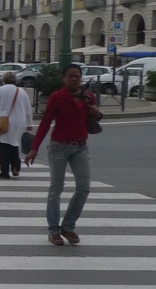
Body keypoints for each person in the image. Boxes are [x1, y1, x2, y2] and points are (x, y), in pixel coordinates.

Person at [26, 64, 101, 246]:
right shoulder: (57, 97)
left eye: (77, 76)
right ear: (64, 78)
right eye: (70, 76)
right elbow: (45, 123)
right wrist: (34, 148)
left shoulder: (88, 96)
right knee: (56, 188)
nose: (74, 79)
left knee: (84, 188)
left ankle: (68, 226)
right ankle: (53, 230)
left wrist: (96, 111)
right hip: (59, 146)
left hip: (81, 147)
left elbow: (95, 117)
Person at [0, 71, 32, 178]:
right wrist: (29, 123)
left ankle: (4, 171)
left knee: (2, 146)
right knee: (14, 143)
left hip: (4, 121)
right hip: (19, 122)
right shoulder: (22, 92)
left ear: (3, 80)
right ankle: (15, 166)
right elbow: (28, 109)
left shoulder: (0, 90)